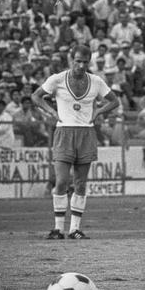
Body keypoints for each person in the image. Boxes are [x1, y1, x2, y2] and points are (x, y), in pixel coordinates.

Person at [32, 45, 120, 240]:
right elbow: (36, 96)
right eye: (78, 61)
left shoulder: (96, 81)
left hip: (86, 133)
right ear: (71, 59)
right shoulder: (57, 79)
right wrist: (52, 112)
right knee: (62, 181)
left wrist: (98, 111)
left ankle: (74, 229)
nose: (81, 65)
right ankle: (57, 228)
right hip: (64, 132)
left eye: (85, 62)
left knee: (80, 183)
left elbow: (114, 101)